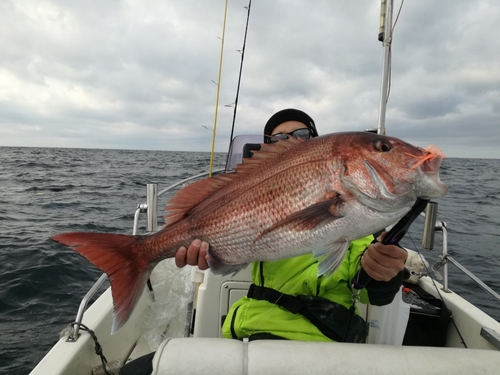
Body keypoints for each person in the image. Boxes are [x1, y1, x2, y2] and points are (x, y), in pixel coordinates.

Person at [175, 108, 407, 343]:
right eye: (276, 140)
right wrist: (209, 252)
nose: (289, 142)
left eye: (301, 134)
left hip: (324, 337)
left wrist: (382, 271)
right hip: (252, 331)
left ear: (316, 143)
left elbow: (368, 281)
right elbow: (232, 235)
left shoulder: (357, 214)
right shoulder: (261, 195)